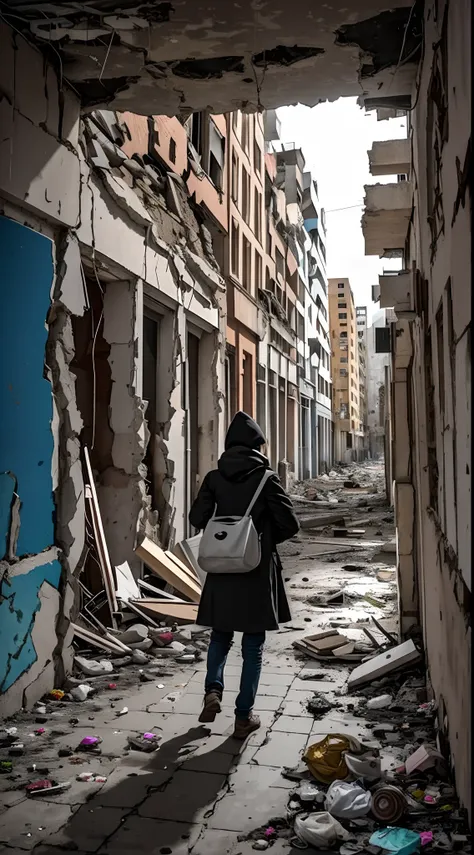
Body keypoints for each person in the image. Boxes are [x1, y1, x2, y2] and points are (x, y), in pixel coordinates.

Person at [189, 411, 299, 740]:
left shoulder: (213, 477)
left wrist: (224, 529)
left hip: (221, 568)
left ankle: (212, 691)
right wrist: (261, 542)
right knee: (253, 646)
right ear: (257, 445)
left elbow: (197, 517)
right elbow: (290, 524)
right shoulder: (266, 479)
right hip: (254, 571)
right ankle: (242, 717)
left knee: (220, 636)